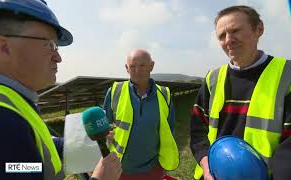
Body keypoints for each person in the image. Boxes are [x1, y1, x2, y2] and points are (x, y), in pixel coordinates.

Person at [0, 0, 121, 180]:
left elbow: (19, 166)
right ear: (4, 47)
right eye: (49, 45)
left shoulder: (4, 103)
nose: (58, 57)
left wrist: (78, 145)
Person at [189, 5, 291, 180]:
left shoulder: (287, 75)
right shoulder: (212, 79)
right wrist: (206, 166)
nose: (228, 40)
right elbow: (198, 132)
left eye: (235, 30)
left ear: (259, 29)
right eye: (222, 36)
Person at [103, 49, 179, 180]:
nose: (137, 70)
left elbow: (169, 130)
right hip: (120, 169)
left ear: (152, 66)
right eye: (132, 66)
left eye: (142, 65)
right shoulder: (115, 92)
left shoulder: (164, 94)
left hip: (153, 169)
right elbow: (104, 127)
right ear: (126, 68)